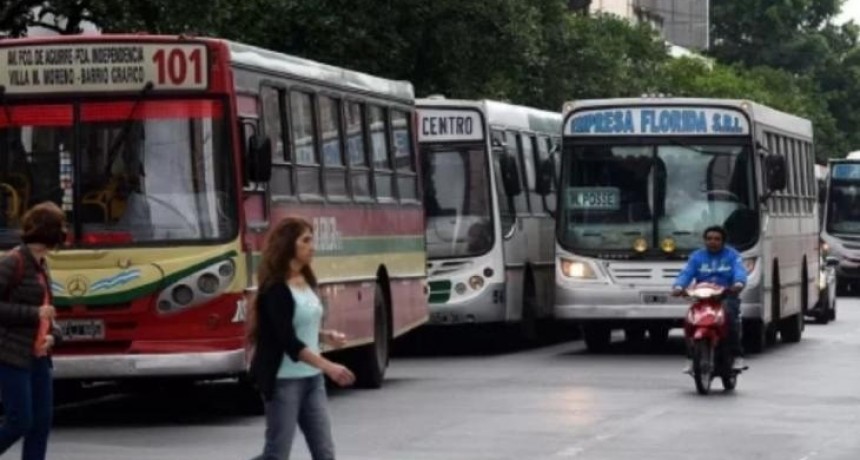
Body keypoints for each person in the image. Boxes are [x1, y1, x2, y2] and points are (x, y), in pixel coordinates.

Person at [248, 217, 355, 460]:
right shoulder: (275, 289)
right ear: (288, 245)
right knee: (277, 454)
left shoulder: (307, 280)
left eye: (312, 240)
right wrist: (329, 366)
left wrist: (325, 335)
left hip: (312, 381)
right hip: (284, 381)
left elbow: (298, 325)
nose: (312, 247)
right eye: (305, 241)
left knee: (324, 453)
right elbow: (287, 340)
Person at [0, 201, 66, 460]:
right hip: (12, 354)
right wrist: (33, 313)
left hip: (40, 356)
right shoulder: (13, 261)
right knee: (20, 420)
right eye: (60, 227)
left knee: (41, 423)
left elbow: (49, 311)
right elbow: (37, 311)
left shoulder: (42, 264)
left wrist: (53, 336)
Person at [671, 225, 747, 372]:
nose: (713, 242)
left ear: (723, 241)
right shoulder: (696, 256)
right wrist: (679, 287)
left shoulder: (733, 255)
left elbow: (740, 272)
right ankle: (691, 358)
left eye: (717, 239)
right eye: (709, 239)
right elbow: (686, 273)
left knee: (730, 317)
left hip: (726, 296)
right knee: (689, 320)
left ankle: (737, 356)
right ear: (705, 240)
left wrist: (738, 283)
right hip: (702, 297)